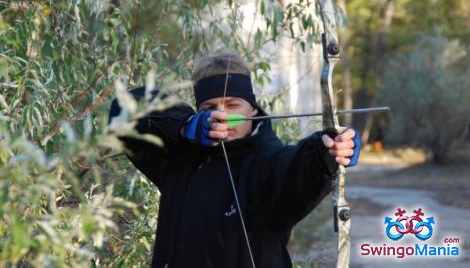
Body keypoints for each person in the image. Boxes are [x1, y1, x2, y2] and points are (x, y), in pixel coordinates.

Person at [108, 51, 360, 268]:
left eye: (232, 104)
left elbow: (294, 170)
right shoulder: (178, 157)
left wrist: (325, 152)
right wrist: (183, 125)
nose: (221, 115)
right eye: (209, 108)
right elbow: (123, 108)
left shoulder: (266, 160)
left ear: (252, 108)